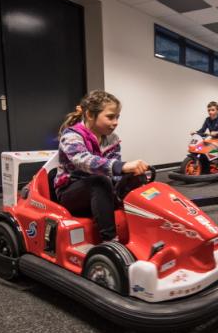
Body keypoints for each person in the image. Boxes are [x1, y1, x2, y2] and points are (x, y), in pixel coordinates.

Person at [55, 90, 149, 242]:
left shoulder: (112, 139)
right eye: (110, 117)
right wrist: (121, 166)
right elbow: (83, 160)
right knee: (100, 182)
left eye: (117, 117)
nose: (116, 122)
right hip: (71, 192)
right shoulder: (71, 136)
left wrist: (129, 178)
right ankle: (110, 240)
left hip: (102, 188)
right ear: (90, 115)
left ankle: (146, 229)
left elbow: (115, 172)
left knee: (138, 178)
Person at [192, 101, 218, 170]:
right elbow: (202, 129)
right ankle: (207, 163)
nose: (210, 112)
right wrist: (196, 132)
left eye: (213, 110)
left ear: (217, 110)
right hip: (214, 138)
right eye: (209, 110)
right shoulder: (207, 119)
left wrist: (217, 132)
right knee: (203, 146)